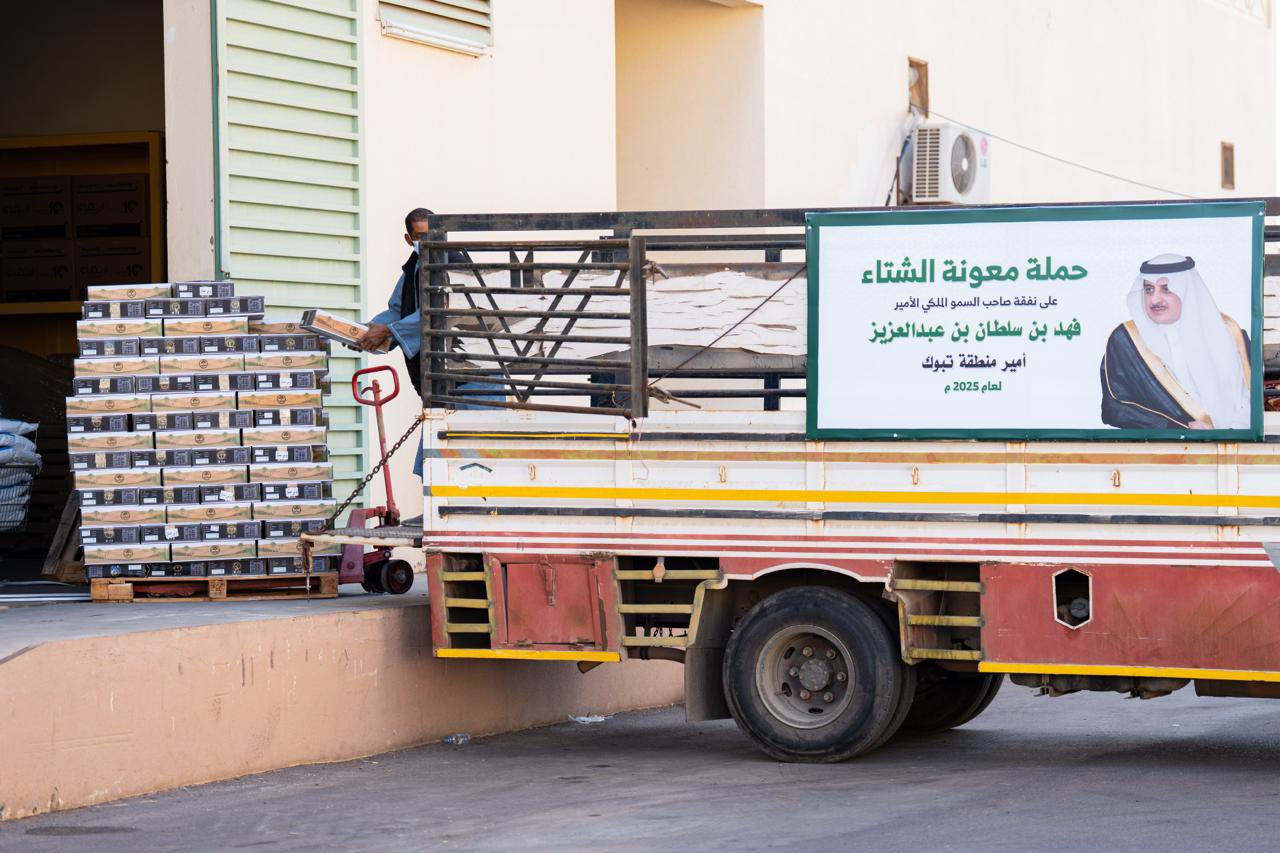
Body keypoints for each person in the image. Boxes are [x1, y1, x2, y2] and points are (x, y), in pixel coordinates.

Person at [1099, 254, 1250, 430]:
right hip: (1164, 450)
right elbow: (1115, 408)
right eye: (1148, 290)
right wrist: (1179, 428)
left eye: (1166, 289)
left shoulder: (1229, 333)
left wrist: (1235, 432)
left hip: (1236, 448)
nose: (1155, 300)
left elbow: (1253, 397)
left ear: (1186, 292)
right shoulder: (1125, 340)